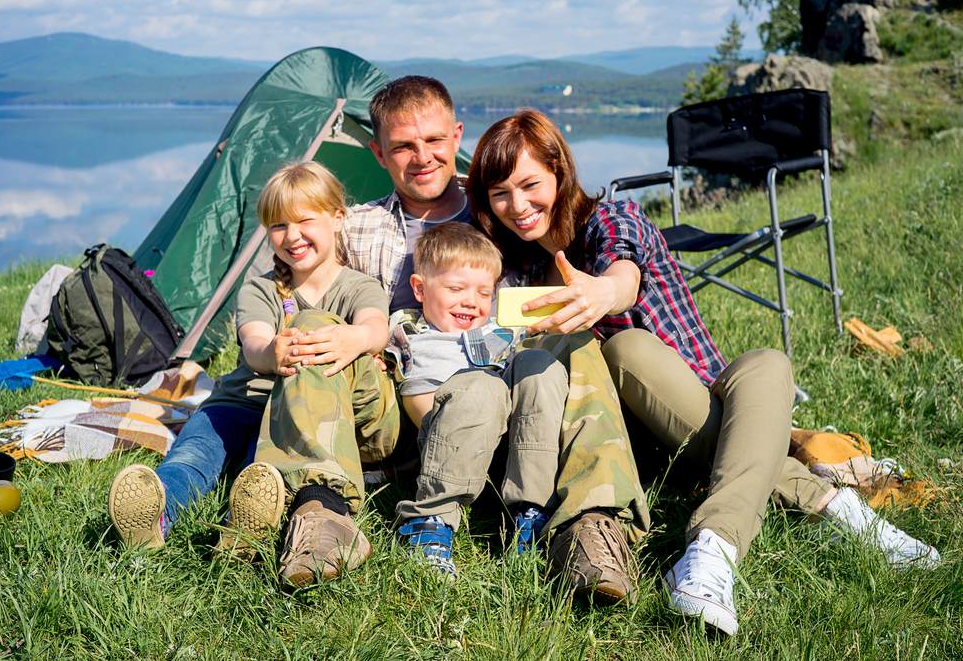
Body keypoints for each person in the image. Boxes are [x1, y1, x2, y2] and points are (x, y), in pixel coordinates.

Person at [465, 109, 941, 635]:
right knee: (626, 349)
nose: (517, 205)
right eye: (500, 193)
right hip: (643, 443)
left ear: (559, 170)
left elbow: (622, 271)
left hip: (705, 399)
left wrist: (600, 293)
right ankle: (837, 509)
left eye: (530, 184)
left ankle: (710, 553)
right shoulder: (514, 269)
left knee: (767, 363)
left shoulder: (612, 219)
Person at [343, 76, 648, 603]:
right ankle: (345, 507)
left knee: (567, 351)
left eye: (435, 141)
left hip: (508, 390)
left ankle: (586, 522)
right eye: (403, 147)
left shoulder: (498, 213)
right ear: (378, 153)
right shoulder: (355, 228)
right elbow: (299, 288)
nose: (422, 158)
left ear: (457, 134)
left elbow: (552, 283)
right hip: (407, 396)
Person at [109, 161, 399, 589]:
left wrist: (356, 338)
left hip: (312, 411)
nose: (292, 236)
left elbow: (376, 325)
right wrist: (272, 351)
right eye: (278, 226)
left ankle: (244, 530)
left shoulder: (358, 286)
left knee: (259, 467)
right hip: (245, 399)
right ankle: (155, 517)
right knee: (194, 456)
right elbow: (254, 342)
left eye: (305, 221)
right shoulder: (261, 287)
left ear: (338, 218)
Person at [389, 222, 567, 577]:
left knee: (539, 363)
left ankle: (531, 512)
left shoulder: (498, 332)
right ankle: (430, 521)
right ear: (420, 289)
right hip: (446, 443)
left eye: (484, 293)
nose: (471, 301)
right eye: (456, 288)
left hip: (512, 447)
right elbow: (410, 393)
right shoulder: (408, 331)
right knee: (480, 385)